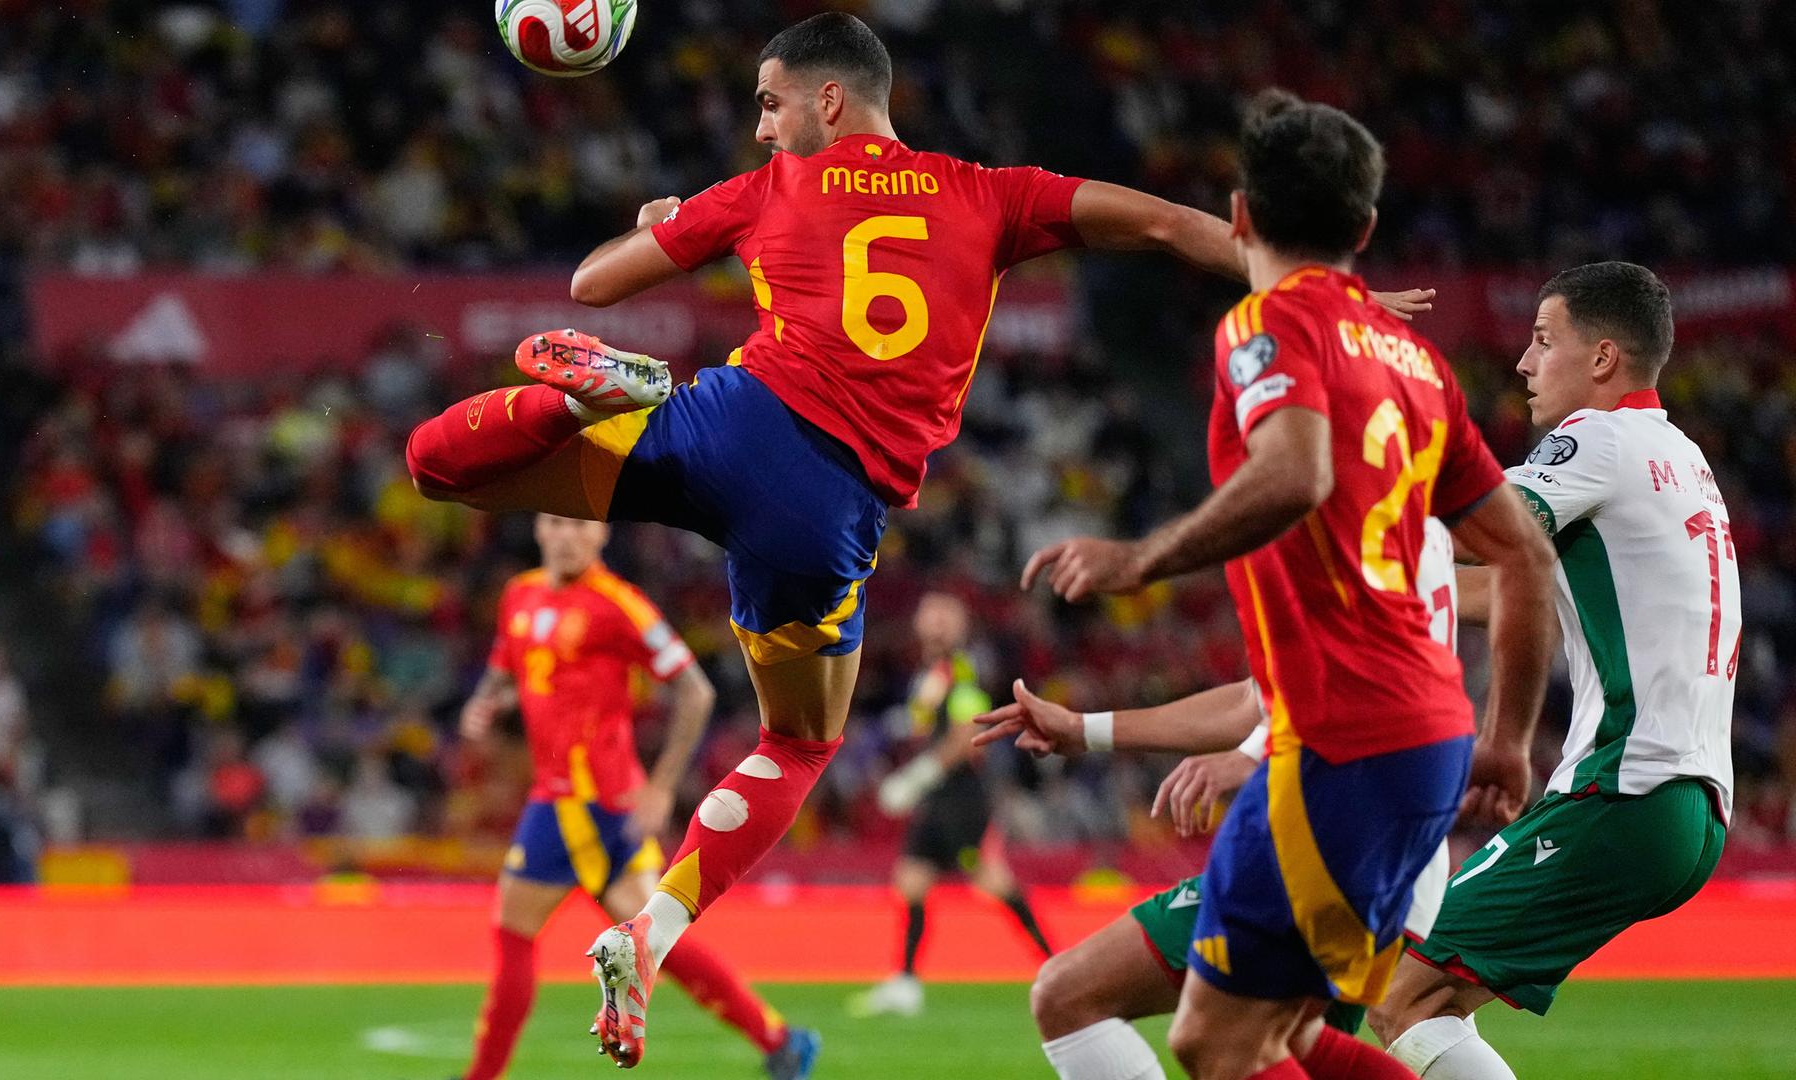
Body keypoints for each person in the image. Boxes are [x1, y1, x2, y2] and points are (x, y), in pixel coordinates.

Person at [404, 13, 1428, 1066]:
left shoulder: (762, 190)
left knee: (439, 464)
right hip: (825, 507)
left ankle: (583, 401)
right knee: (798, 743)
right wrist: (1315, 292)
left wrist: (658, 223)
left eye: (769, 104)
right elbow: (1167, 225)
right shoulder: (994, 194)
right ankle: (651, 932)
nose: (761, 129)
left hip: (724, 424)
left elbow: (593, 284)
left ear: (829, 100)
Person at [1018, 90, 1558, 1080]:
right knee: (1283, 1034)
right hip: (1420, 738)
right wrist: (1506, 740)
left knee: (1215, 1040)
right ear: (1366, 229)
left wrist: (1140, 559)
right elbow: (1524, 556)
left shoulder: (1267, 325)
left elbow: (1295, 472)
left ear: (1239, 216)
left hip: (1344, 745)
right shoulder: (1418, 363)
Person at [1369, 263, 1736, 1079]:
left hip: (1626, 786)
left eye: (1543, 340)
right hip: (1689, 800)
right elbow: (1501, 583)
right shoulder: (1678, 456)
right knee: (1426, 996)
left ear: (1602, 358)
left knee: (1403, 995)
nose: (1524, 363)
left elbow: (1471, 532)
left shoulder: (1598, 440)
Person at [976, 519, 1459, 1078]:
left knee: (1095, 1003)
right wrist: (1087, 729)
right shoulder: (1408, 513)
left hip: (1340, 826)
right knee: (1286, 1040)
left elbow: (1368, 669)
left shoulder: (1342, 508)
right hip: (1382, 828)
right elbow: (1258, 698)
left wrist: (1254, 751)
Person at [451, 514, 818, 1080]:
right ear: (539, 530)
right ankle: (779, 1040)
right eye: (556, 523)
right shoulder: (519, 595)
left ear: (601, 535)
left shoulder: (620, 605)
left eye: (580, 526)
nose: (567, 536)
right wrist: (485, 703)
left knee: (514, 933)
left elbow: (695, 691)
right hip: (582, 803)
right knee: (653, 938)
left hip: (582, 803)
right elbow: (506, 668)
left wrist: (663, 785)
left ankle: (481, 1077)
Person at [852, 591, 1052, 1019]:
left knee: (992, 881)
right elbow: (928, 723)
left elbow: (967, 735)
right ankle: (906, 981)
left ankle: (1055, 965)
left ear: (961, 626)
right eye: (932, 615)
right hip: (938, 796)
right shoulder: (930, 672)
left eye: (947, 616)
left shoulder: (962, 669)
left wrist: (919, 775)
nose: (938, 623)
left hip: (961, 796)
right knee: (911, 880)